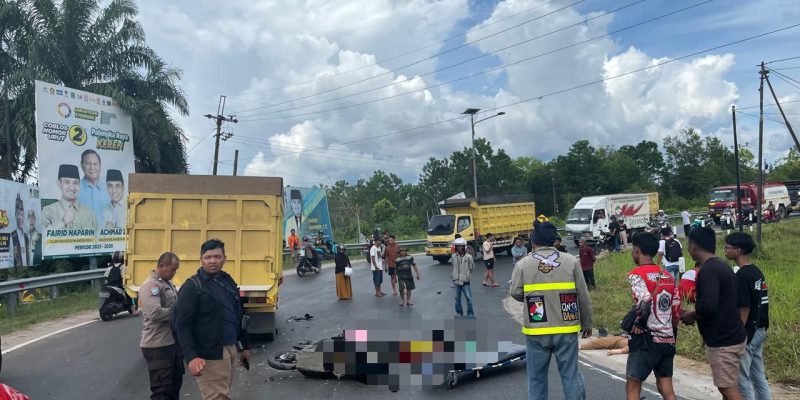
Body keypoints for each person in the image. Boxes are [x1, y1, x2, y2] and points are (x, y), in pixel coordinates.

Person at [510, 220, 592, 400]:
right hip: (566, 328)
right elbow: (583, 295)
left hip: (537, 328)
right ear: (555, 241)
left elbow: (515, 292)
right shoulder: (570, 261)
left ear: (533, 242)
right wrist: (587, 323)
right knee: (570, 376)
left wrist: (532, 299)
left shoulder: (523, 264)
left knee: (536, 379)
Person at [175, 239, 251, 400]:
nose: (213, 261)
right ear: (201, 259)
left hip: (229, 348)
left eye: (217, 257)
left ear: (225, 258)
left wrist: (245, 346)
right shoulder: (192, 287)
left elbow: (237, 315)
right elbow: (181, 325)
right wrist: (191, 356)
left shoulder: (227, 281)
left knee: (223, 394)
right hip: (209, 354)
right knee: (217, 397)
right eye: (208, 257)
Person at [680, 227, 747, 400]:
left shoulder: (708, 271)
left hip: (724, 340)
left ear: (693, 246)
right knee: (729, 386)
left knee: (727, 388)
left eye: (688, 245)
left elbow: (708, 306)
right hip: (732, 334)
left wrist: (690, 315)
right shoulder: (722, 266)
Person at [625, 232, 680, 400]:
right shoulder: (667, 276)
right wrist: (672, 336)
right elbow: (676, 310)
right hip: (667, 340)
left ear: (636, 251)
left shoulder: (636, 274)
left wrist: (640, 324)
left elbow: (644, 302)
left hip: (645, 341)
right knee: (666, 390)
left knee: (633, 387)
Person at [725, 233, 771, 400]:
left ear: (738, 250)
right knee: (758, 375)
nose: (725, 250)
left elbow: (744, 308)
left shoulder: (742, 275)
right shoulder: (756, 271)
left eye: (727, 247)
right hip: (760, 328)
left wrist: (738, 335)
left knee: (742, 379)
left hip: (748, 331)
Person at [140, 252, 183, 399]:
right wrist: (179, 313)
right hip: (157, 346)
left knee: (174, 388)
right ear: (162, 266)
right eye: (172, 269)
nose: (174, 273)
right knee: (162, 391)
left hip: (171, 343)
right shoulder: (151, 286)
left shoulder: (167, 283)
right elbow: (155, 313)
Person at [42, 164, 98, 230]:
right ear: (59, 184)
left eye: (75, 183)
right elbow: (43, 237)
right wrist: (63, 222)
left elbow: (97, 237)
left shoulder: (89, 212)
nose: (72, 187)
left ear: (79, 185)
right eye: (67, 182)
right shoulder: (48, 211)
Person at [76, 149, 110, 225]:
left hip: (106, 236)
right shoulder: (73, 190)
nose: (92, 167)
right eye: (88, 164)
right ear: (82, 165)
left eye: (95, 164)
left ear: (100, 166)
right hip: (83, 236)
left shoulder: (109, 190)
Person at [451, 238, 475, 317]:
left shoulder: (469, 257)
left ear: (464, 247)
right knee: (457, 299)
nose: (459, 248)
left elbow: (472, 268)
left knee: (469, 298)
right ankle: (459, 313)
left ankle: (470, 314)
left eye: (461, 246)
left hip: (465, 282)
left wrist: (467, 275)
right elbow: (453, 266)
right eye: (457, 246)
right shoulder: (454, 256)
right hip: (456, 281)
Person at [11, 194, 30, 267]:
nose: (20, 218)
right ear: (15, 215)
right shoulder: (11, 237)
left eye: (22, 214)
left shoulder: (26, 236)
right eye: (18, 214)